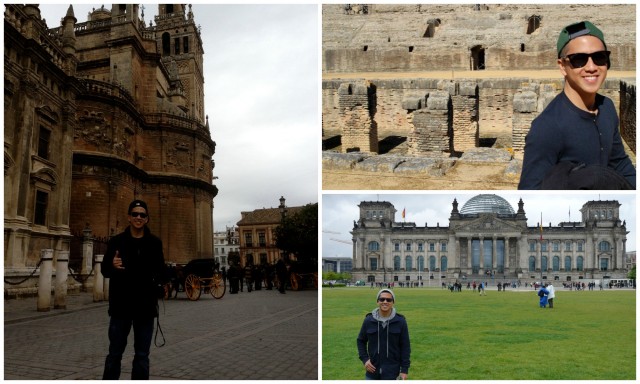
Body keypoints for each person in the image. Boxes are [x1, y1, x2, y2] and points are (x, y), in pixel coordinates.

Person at [519, 20, 636, 190]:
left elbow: (620, 163)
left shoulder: (607, 107)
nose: (591, 67)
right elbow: (530, 191)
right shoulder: (547, 127)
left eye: (599, 57)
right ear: (563, 66)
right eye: (579, 59)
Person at [102, 199, 166, 380]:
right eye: (135, 214)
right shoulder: (116, 242)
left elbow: (161, 271)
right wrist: (112, 264)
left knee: (142, 355)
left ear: (147, 219)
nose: (139, 217)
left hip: (145, 308)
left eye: (142, 215)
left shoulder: (154, 243)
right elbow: (104, 271)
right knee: (114, 354)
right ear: (129, 217)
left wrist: (159, 282)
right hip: (120, 307)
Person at [357, 289, 411, 380]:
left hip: (393, 373)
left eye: (388, 300)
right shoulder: (369, 320)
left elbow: (405, 347)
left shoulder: (400, 321)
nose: (385, 302)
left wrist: (404, 370)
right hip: (372, 372)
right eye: (382, 299)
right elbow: (360, 341)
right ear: (377, 301)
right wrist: (365, 359)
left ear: (393, 302)